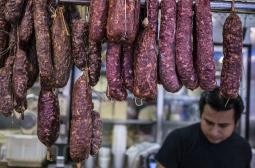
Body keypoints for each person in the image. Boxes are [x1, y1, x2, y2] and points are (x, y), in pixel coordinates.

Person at [155, 87, 252, 168]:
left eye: (223, 126)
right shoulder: (178, 140)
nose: (214, 132)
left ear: (236, 123)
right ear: (201, 115)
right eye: (209, 122)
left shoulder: (243, 148)